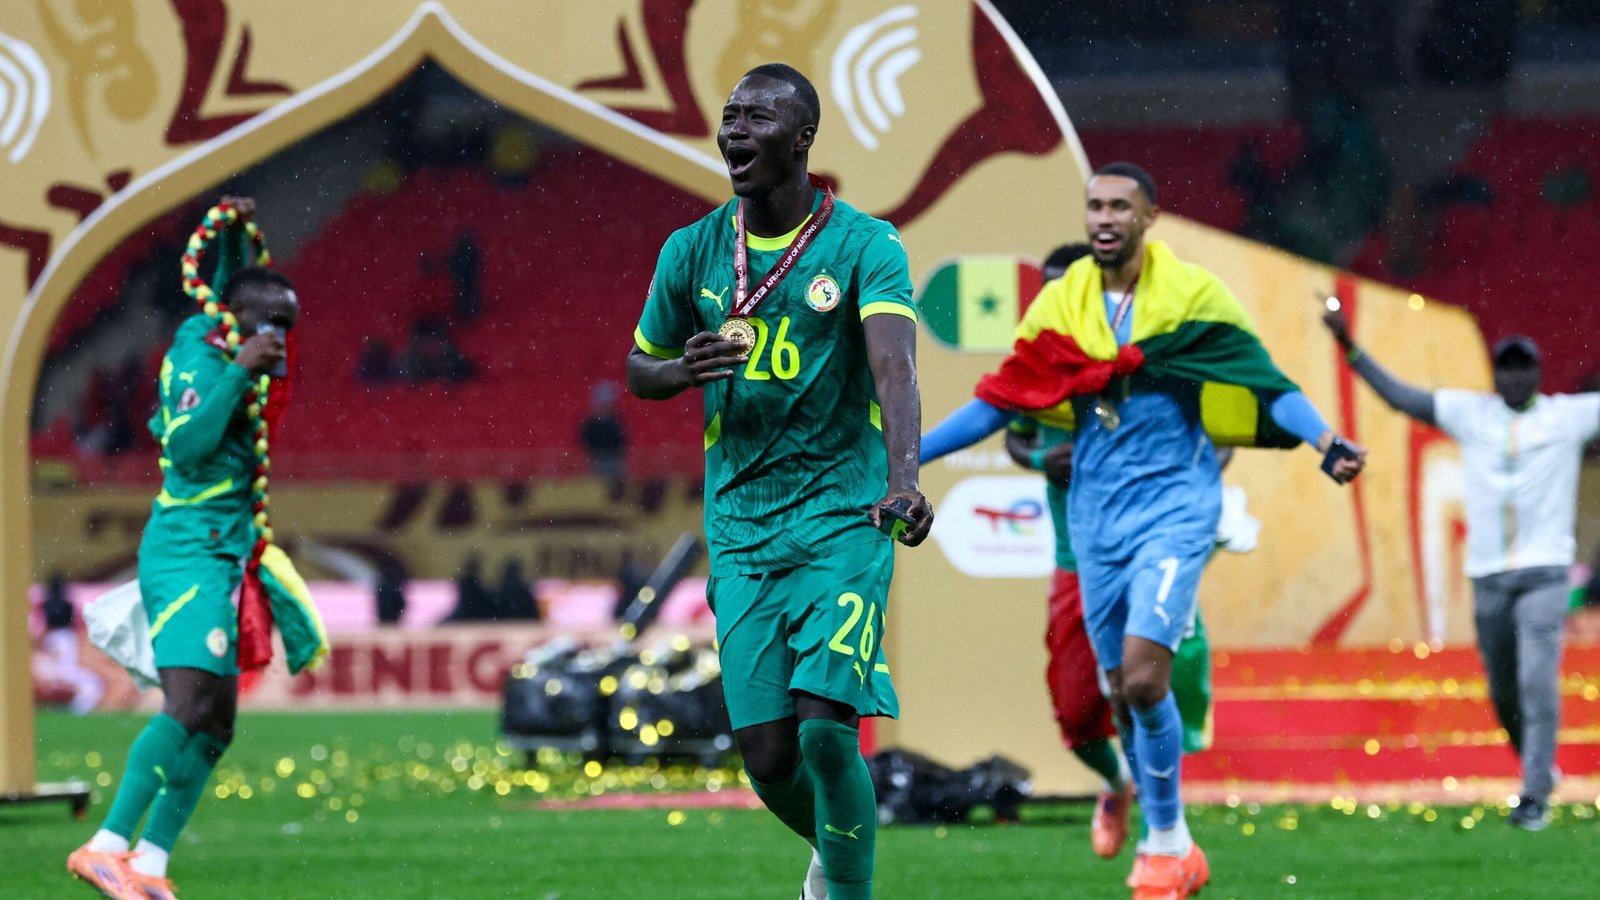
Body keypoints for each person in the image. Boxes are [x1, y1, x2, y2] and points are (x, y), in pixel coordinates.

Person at [925, 163, 1365, 898]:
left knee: (1139, 676)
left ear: (1149, 216)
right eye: (1094, 205)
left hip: (1176, 508)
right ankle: (1169, 842)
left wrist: (1326, 442)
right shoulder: (1061, 305)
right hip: (1097, 519)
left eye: (1119, 206)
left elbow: (1267, 385)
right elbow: (1000, 402)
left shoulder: (1193, 296)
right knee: (1117, 691)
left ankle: (1165, 842)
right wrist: (906, 453)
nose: (1104, 217)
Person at [625, 63, 933, 900]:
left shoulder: (867, 244)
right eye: (729, 118)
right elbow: (638, 369)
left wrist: (905, 478)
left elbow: (895, 369)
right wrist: (681, 369)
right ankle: (836, 860)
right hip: (742, 528)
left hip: (842, 515)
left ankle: (849, 892)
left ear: (802, 139)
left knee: (830, 734)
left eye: (757, 117)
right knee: (767, 759)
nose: (734, 131)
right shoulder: (690, 251)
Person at [921, 243, 1221, 863]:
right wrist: (1039, 460)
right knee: (1080, 714)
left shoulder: (1148, 353)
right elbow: (1012, 434)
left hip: (1149, 546)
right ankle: (1119, 786)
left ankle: (1167, 836)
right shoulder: (1043, 360)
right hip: (1077, 559)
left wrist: (1188, 490)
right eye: (1053, 288)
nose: (1063, 298)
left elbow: (1222, 429)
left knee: (1145, 688)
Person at [68, 202, 298, 900]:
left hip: (223, 557)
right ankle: (105, 847)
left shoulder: (236, 338)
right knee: (186, 701)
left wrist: (230, 231)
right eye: (275, 325)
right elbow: (187, 448)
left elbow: (234, 286)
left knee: (217, 723)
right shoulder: (197, 359)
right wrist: (238, 372)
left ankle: (151, 865)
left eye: (291, 324)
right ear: (241, 324)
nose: (285, 338)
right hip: (187, 551)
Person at [1323, 312, 1600, 829]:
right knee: (1502, 691)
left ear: (1539, 375)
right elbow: (1400, 397)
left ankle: (1534, 795)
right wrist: (1349, 347)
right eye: (1507, 369)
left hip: (1545, 574)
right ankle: (1539, 770)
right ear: (1495, 375)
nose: (1516, 378)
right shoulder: (1470, 414)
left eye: (1524, 369)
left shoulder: (1570, 416)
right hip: (1489, 577)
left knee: (1537, 681)